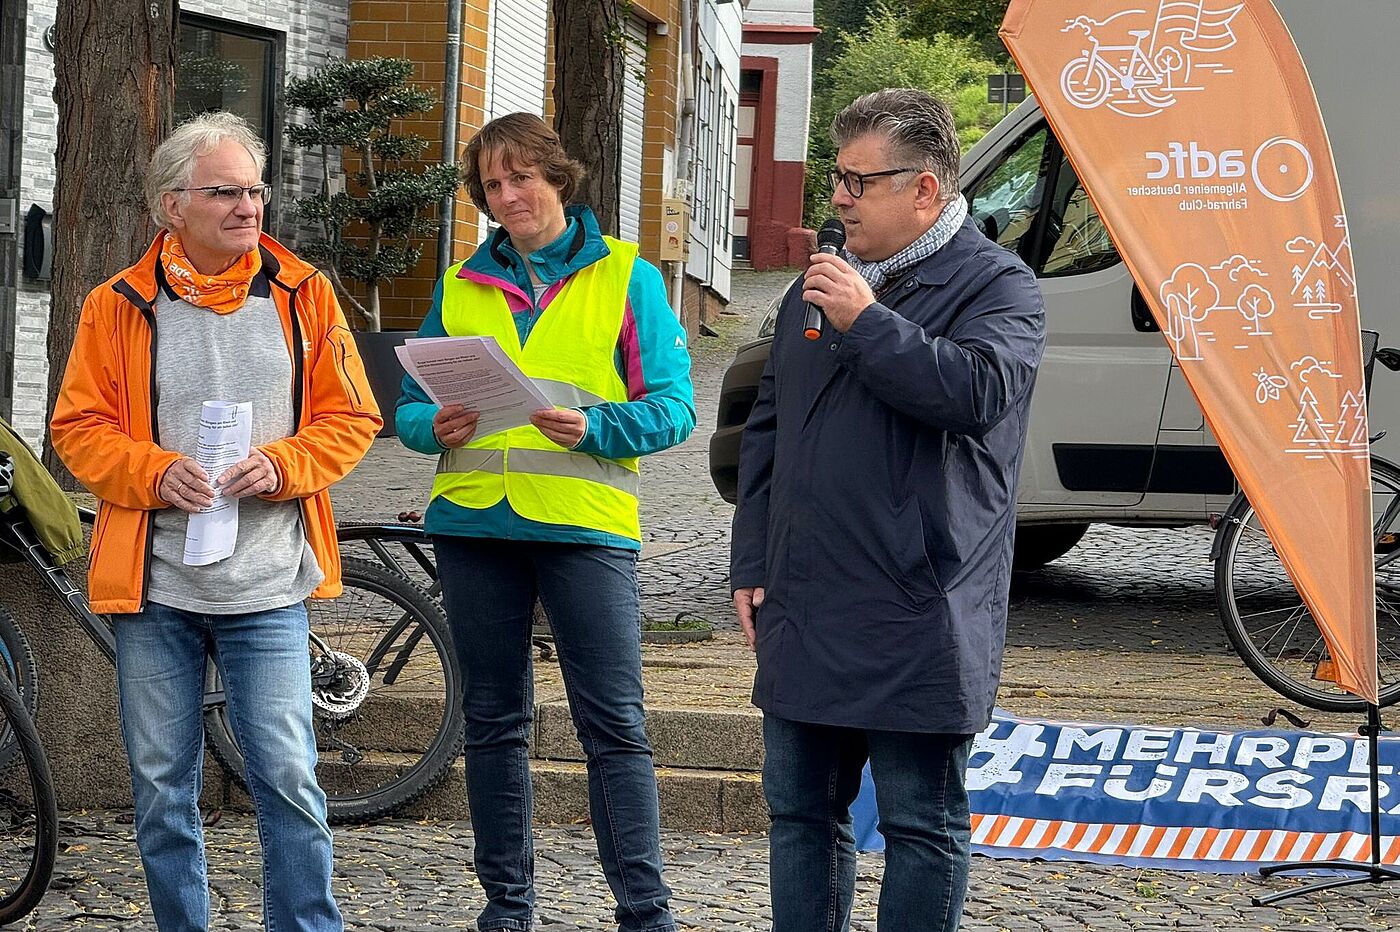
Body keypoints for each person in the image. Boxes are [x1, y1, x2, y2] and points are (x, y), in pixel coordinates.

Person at [50, 111, 381, 930]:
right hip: (155, 589)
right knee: (162, 793)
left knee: (291, 784)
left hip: (268, 586)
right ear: (173, 206)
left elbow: (353, 416)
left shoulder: (305, 294)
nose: (249, 206)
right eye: (226, 191)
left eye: (256, 189)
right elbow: (78, 429)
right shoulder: (117, 303)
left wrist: (284, 464)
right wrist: (156, 472)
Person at [730, 88, 1046, 931]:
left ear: (925, 190)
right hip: (805, 596)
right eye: (838, 178)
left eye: (858, 182)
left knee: (920, 822)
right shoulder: (815, 288)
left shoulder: (998, 285)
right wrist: (753, 561)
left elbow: (975, 393)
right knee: (799, 814)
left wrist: (866, 321)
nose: (837, 198)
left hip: (918, 602)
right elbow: (767, 433)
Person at [395, 112, 694, 932]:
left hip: (584, 528)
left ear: (559, 177)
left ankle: (646, 914)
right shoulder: (459, 283)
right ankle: (507, 911)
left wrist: (597, 428)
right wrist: (435, 426)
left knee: (615, 725)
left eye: (521, 176)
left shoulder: (628, 277)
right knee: (492, 725)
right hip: (472, 528)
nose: (508, 195)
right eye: (492, 184)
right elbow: (412, 409)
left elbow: (674, 409)